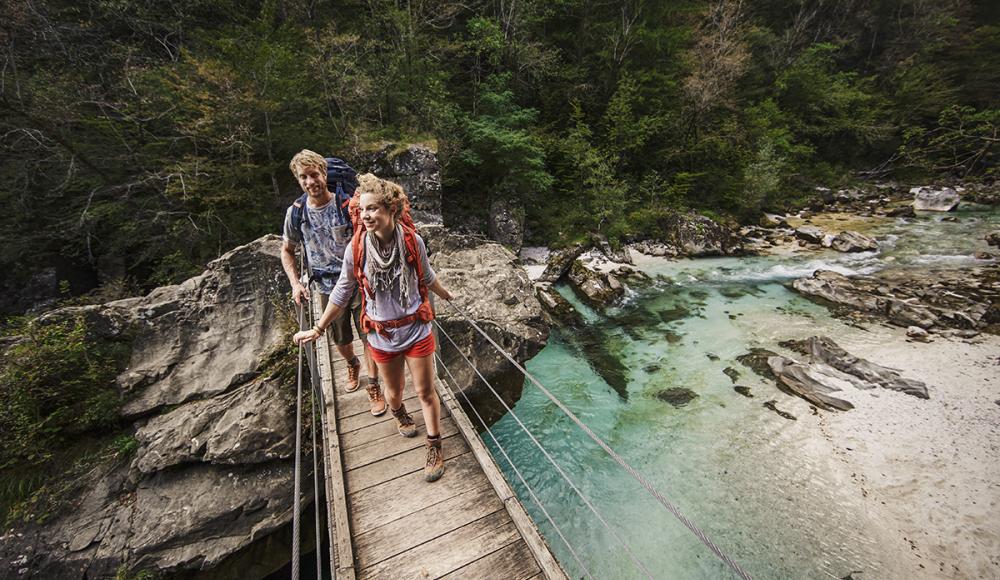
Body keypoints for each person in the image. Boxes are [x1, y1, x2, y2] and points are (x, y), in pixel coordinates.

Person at [293, 174, 454, 482]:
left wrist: (446, 295)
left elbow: (428, 275)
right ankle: (398, 413)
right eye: (362, 209)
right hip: (381, 334)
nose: (366, 216)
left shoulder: (411, 240)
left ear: (391, 211)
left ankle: (435, 446)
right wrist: (318, 328)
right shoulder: (356, 249)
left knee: (425, 391)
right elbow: (342, 291)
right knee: (394, 393)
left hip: (415, 328)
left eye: (373, 209)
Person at [281, 150, 385, 417]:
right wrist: (295, 283)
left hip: (359, 282)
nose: (310, 182)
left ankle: (374, 386)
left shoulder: (347, 205)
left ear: (324, 174)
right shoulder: (296, 213)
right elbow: (287, 250)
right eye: (303, 177)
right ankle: (352, 364)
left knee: (369, 336)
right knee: (340, 340)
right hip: (326, 286)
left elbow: (371, 235)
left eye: (314, 175)